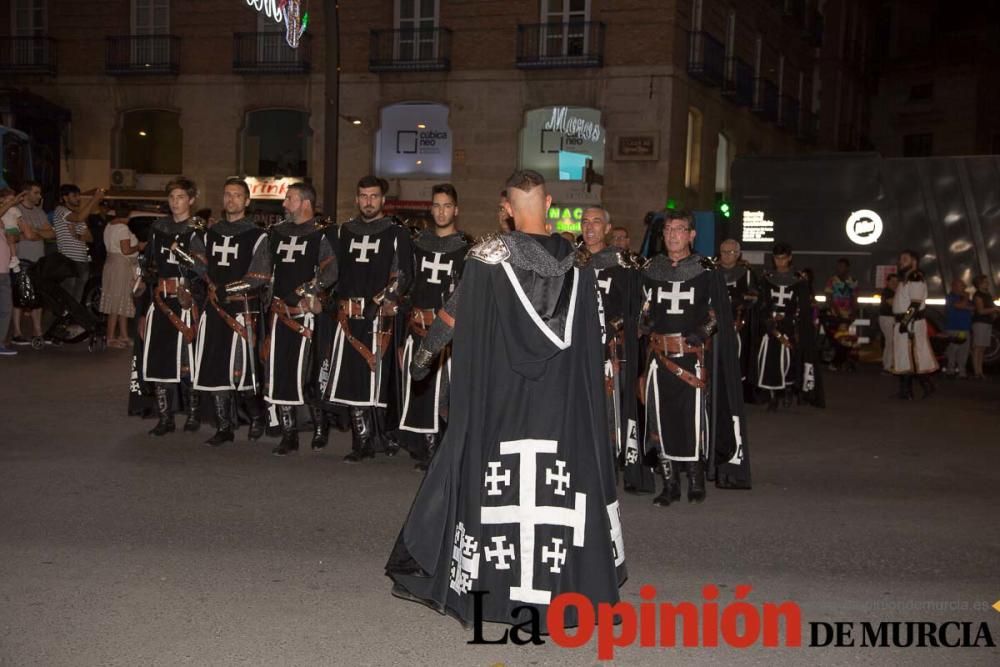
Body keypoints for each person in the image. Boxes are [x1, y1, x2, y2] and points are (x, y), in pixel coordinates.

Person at [386, 169, 625, 632]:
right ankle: (565, 591)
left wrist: (423, 357)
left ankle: (490, 590)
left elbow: (452, 316)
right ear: (549, 203)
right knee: (556, 499)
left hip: (503, 402)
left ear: (509, 210)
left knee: (498, 494)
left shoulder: (488, 258)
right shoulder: (581, 267)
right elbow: (592, 345)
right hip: (559, 408)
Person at [639, 210, 751, 506]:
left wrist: (702, 332)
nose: (672, 234)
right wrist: (644, 321)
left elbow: (717, 313)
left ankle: (696, 479)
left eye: (679, 229)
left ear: (692, 234)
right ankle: (669, 483)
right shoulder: (651, 268)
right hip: (659, 357)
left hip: (690, 357)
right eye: (667, 229)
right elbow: (643, 307)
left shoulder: (706, 269)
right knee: (660, 419)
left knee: (692, 420)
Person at [324, 175, 412, 463]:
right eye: (364, 196)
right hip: (349, 316)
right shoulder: (343, 232)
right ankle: (360, 440)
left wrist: (379, 302)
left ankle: (380, 436)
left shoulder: (396, 233)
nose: (369, 202)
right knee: (352, 379)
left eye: (374, 196)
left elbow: (402, 277)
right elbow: (332, 272)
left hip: (380, 318)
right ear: (357, 198)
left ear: (383, 200)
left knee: (378, 381)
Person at [189, 178, 272, 446]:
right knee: (215, 368)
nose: (231, 200)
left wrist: (228, 288)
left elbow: (260, 275)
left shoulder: (257, 235)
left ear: (247, 201)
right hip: (214, 310)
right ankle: (224, 426)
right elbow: (199, 263)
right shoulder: (209, 233)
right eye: (227, 195)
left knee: (243, 370)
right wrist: (207, 281)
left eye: (237, 195)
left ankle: (257, 417)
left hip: (242, 310)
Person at [579, 206, 653, 494]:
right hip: (577, 349)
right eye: (585, 222)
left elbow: (639, 306)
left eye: (596, 222)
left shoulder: (624, 264)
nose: (590, 227)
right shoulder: (572, 262)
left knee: (611, 409)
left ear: (607, 229)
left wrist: (613, 325)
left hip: (611, 350)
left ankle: (610, 464)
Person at [397, 183, 468, 471]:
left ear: (456, 209)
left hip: (447, 332)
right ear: (431, 208)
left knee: (446, 390)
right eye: (437, 205)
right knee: (420, 385)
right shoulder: (418, 245)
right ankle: (422, 444)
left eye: (447, 205)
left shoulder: (466, 249)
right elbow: (408, 287)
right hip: (417, 325)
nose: (441, 211)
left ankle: (441, 446)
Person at [265, 182, 337, 455]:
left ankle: (320, 428)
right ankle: (288, 433)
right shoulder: (276, 234)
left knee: (309, 375)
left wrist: (311, 291)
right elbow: (267, 270)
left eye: (290, 198)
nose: (284, 204)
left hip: (307, 317)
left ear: (305, 203)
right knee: (280, 373)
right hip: (280, 315)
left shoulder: (321, 236)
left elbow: (330, 271)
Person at [138, 177, 204, 435]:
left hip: (186, 300)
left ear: (191, 200)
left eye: (180, 197)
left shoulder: (198, 230)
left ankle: (193, 414)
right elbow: (149, 269)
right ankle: (165, 417)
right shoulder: (158, 228)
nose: (175, 202)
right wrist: (143, 311)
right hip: (160, 299)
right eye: (172, 197)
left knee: (188, 362)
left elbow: (203, 270)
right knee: (159, 361)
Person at [756, 243, 823, 410]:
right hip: (771, 326)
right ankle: (772, 396)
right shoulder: (767, 277)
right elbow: (762, 303)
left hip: (790, 326)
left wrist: (790, 319)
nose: (780, 261)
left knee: (789, 361)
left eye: (784, 258)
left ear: (790, 257)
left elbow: (803, 307)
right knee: (768, 361)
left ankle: (787, 390)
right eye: (777, 258)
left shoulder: (799, 280)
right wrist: (769, 319)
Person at [7, 181, 54, 346]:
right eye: (36, 193)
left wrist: (36, 233)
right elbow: (24, 236)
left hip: (38, 260)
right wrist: (37, 233)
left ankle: (37, 330)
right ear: (25, 193)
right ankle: (17, 332)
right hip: (21, 259)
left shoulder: (39, 212)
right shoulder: (15, 211)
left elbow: (51, 233)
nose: (39, 196)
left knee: (37, 297)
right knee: (19, 297)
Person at [717, 238, 760, 400]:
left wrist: (739, 303)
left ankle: (736, 392)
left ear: (738, 254)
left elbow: (754, 297)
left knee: (737, 357)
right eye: (724, 252)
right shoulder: (712, 272)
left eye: (732, 252)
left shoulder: (746, 274)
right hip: (715, 323)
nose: (727, 255)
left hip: (738, 323)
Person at [890, 249, 937, 399]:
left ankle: (914, 390)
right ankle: (907, 390)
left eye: (904, 259)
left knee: (912, 356)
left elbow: (915, 304)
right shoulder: (907, 279)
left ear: (914, 262)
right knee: (906, 356)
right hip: (905, 323)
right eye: (900, 259)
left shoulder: (916, 278)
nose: (900, 262)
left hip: (911, 323)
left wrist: (905, 322)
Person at [52, 184, 101, 303]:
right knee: (67, 296)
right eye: (74, 195)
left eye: (79, 195)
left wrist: (77, 236)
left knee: (77, 298)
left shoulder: (77, 215)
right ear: (65, 198)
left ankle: (72, 321)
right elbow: (78, 218)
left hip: (82, 261)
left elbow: (90, 238)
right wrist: (94, 200)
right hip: (68, 261)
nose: (78, 198)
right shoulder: (61, 211)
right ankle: (60, 321)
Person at [101, 216, 144, 347]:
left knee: (122, 300)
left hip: (113, 264)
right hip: (121, 265)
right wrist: (139, 246)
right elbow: (126, 250)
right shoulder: (123, 228)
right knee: (118, 299)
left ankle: (123, 335)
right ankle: (110, 337)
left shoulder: (109, 226)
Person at [823, 258, 858, 371]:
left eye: (842, 266)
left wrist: (853, 312)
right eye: (838, 266)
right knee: (836, 339)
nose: (840, 269)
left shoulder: (852, 281)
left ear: (847, 268)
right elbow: (829, 298)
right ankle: (836, 362)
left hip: (847, 315)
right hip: (834, 315)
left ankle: (839, 362)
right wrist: (836, 311)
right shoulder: (832, 280)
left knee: (846, 340)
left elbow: (854, 297)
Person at [0, 190, 23, 356]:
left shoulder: (7, 218)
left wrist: (12, 238)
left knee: (6, 308)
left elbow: (17, 236)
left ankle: (1, 342)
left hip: (4, 269)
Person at [942, 278, 973, 378]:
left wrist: (965, 303)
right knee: (952, 350)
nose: (964, 287)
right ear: (954, 286)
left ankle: (962, 372)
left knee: (964, 351)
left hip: (964, 328)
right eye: (962, 285)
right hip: (954, 328)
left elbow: (972, 308)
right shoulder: (950, 296)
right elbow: (959, 306)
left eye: (964, 285)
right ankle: (950, 371)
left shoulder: (964, 297)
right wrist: (966, 298)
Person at [971, 274, 998, 380]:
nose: (988, 283)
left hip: (987, 323)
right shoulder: (978, 295)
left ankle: (980, 371)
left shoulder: (987, 294)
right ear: (979, 283)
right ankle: (976, 372)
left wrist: (994, 314)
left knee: (982, 348)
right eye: (985, 281)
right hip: (980, 323)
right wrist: (995, 310)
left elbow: (989, 309)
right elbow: (980, 311)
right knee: (977, 347)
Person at [878, 274, 898, 373]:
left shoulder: (893, 292)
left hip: (890, 318)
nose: (894, 283)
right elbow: (892, 304)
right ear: (888, 282)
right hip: (887, 318)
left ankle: (890, 364)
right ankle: (887, 366)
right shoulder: (887, 292)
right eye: (892, 281)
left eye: (896, 281)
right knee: (890, 342)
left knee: (891, 342)